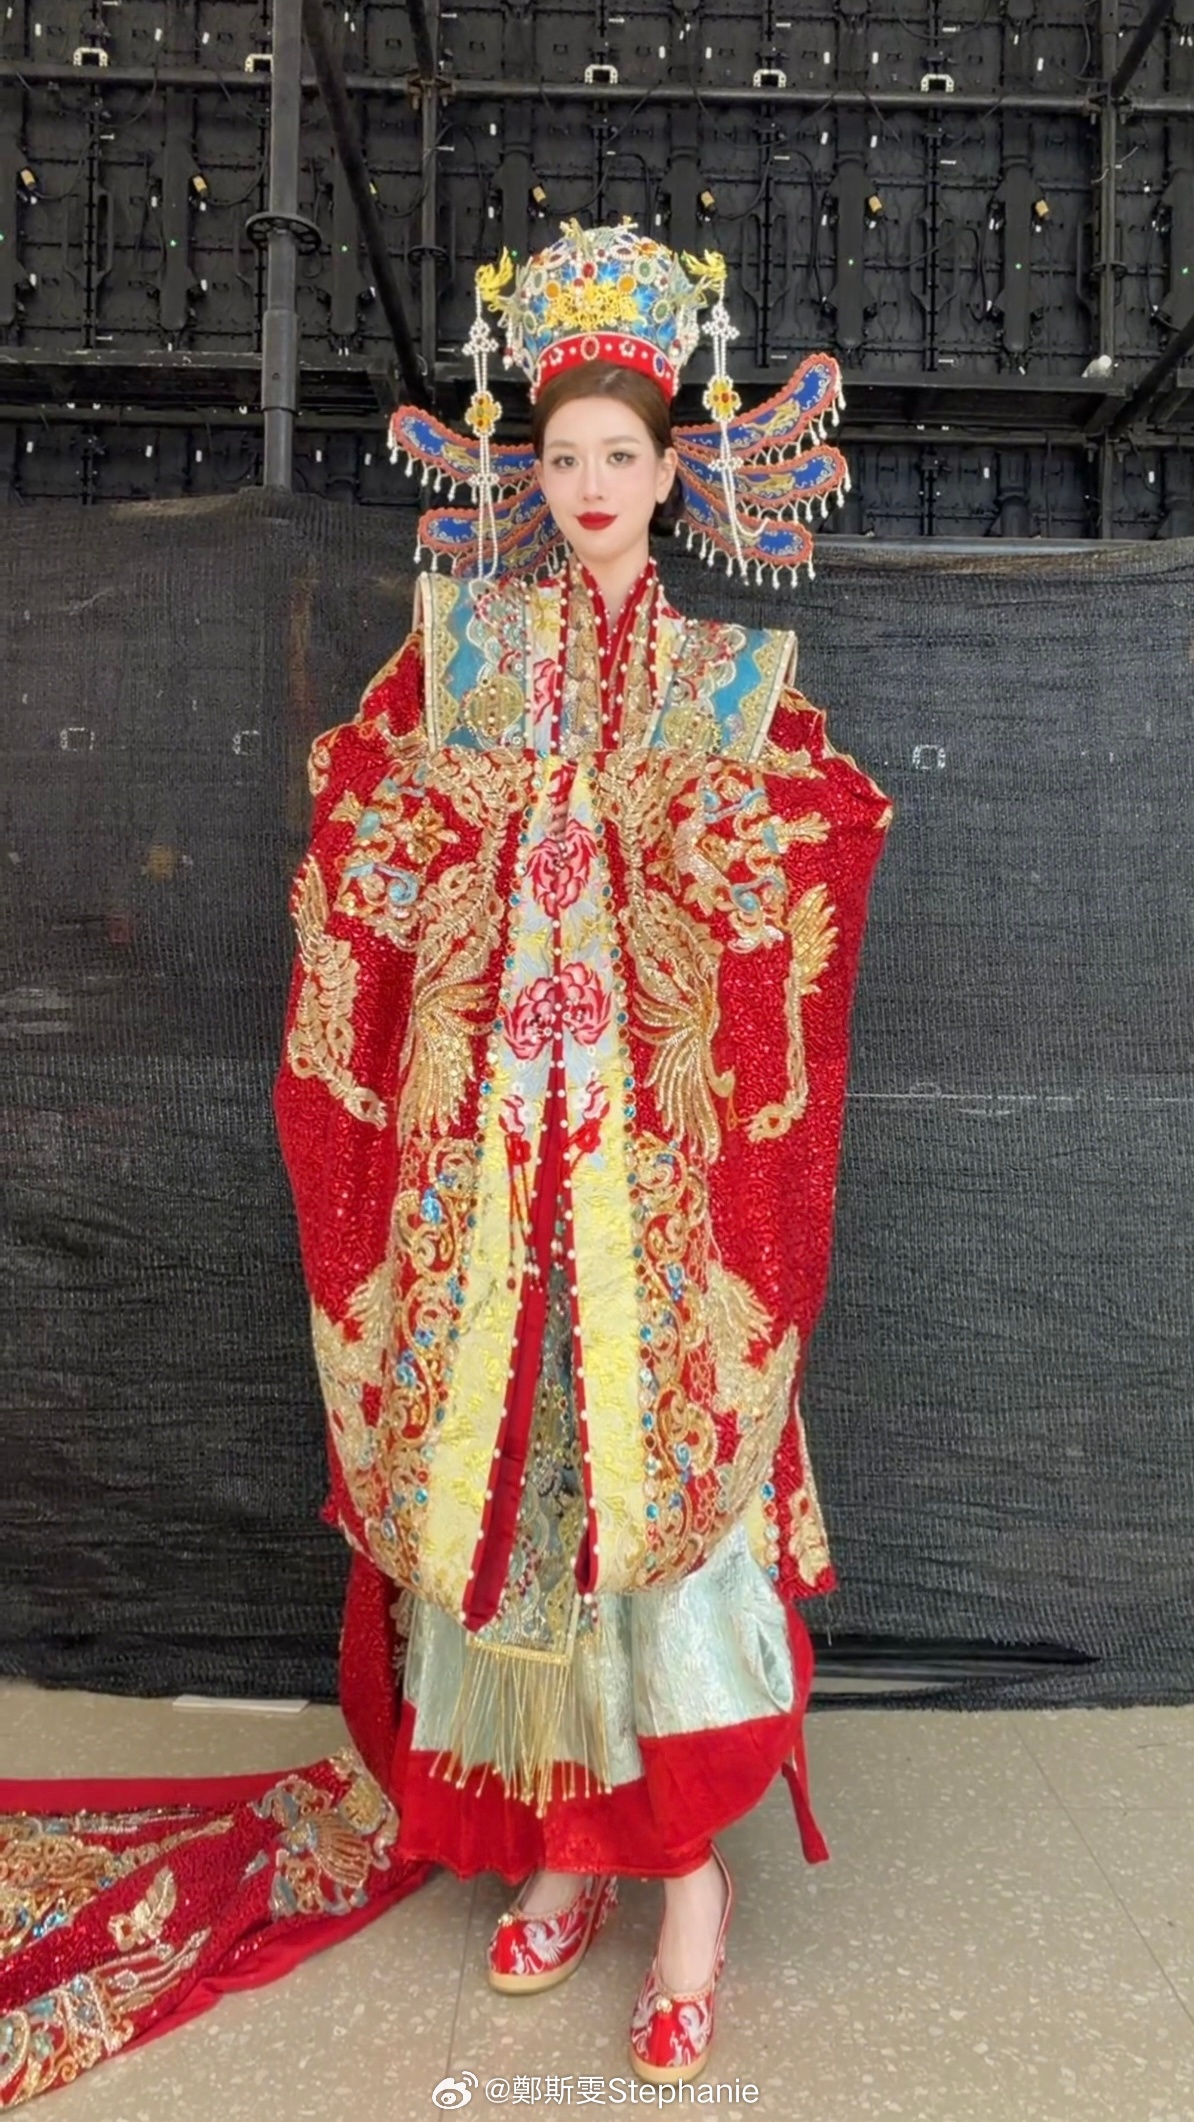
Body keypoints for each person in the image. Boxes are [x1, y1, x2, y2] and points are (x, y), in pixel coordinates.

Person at [273, 218, 893, 2086]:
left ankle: (683, 1883)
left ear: (675, 467)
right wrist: (454, 855)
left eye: (624, 454)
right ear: (526, 476)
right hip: (485, 1175)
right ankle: (562, 1844)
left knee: (653, 1503)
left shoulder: (726, 677)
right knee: (519, 1493)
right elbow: (357, 829)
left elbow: (814, 859)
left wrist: (692, 867)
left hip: (654, 1185)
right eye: (563, 458)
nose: (595, 487)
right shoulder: (458, 654)